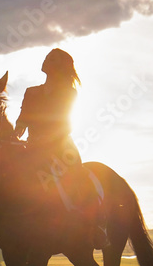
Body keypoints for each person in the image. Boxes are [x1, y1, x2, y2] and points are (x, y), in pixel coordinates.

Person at [14, 48, 107, 248]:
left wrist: (46, 140)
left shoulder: (68, 92)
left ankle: (94, 226)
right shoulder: (31, 92)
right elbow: (22, 119)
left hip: (61, 146)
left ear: (60, 67)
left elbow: (66, 124)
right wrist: (16, 133)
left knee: (77, 179)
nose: (46, 59)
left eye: (52, 59)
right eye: (47, 57)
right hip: (33, 146)